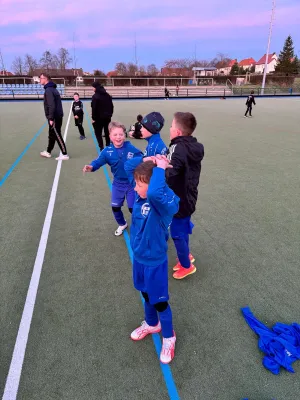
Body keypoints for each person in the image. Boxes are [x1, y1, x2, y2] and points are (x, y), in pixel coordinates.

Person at [126, 157, 179, 364]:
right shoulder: (140, 197)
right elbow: (129, 167)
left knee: (160, 301)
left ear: (155, 182)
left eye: (140, 184)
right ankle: (151, 324)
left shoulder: (164, 204)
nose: (136, 187)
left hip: (154, 263)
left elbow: (156, 191)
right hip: (139, 258)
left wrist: (161, 168)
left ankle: (169, 336)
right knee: (145, 294)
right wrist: (145, 160)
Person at [83, 121, 143, 236]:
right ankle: (122, 224)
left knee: (133, 208)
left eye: (121, 134)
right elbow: (97, 162)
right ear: (110, 136)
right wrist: (91, 167)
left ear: (124, 135)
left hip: (132, 184)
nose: (118, 137)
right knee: (115, 207)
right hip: (118, 184)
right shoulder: (107, 152)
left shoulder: (131, 148)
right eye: (115, 135)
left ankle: (140, 226)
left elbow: (142, 158)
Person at [166, 112, 204, 280]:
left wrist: (160, 167)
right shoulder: (193, 146)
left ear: (178, 132)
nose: (170, 128)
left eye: (172, 126)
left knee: (177, 233)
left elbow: (170, 174)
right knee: (183, 229)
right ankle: (186, 256)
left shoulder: (177, 148)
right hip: (189, 197)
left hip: (178, 199)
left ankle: (187, 266)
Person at [39, 73, 69, 160]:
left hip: (55, 117)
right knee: (52, 134)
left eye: (41, 78)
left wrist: (51, 118)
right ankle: (48, 152)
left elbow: (51, 105)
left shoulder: (48, 90)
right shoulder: (52, 89)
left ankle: (65, 154)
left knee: (56, 134)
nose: (40, 80)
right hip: (56, 115)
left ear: (45, 79)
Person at [91, 82, 114, 150]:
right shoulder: (107, 95)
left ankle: (101, 147)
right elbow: (111, 106)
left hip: (98, 119)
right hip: (107, 117)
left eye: (92, 87)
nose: (92, 89)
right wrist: (110, 114)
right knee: (107, 132)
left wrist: (93, 118)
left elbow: (94, 108)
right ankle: (108, 145)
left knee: (98, 133)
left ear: (95, 88)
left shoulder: (95, 96)